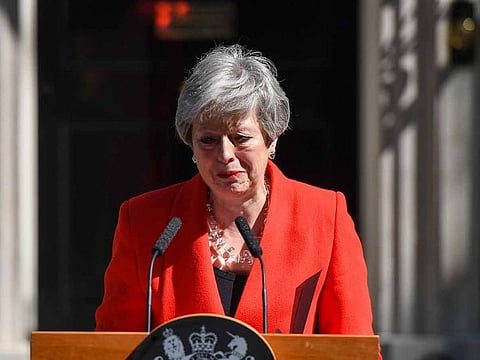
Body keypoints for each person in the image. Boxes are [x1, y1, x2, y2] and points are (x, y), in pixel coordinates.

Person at [95, 44, 378, 339]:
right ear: (190, 143)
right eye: (208, 140)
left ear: (272, 138)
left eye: (240, 138)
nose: (225, 154)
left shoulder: (324, 217)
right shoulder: (144, 220)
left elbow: (354, 346)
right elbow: (112, 345)